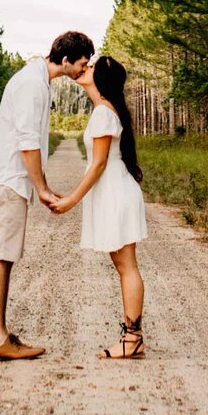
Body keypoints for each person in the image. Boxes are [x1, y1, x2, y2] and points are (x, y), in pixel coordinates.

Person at [0, 29, 95, 361]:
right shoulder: (31, 84)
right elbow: (27, 141)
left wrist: (38, 184)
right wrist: (41, 188)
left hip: (11, 181)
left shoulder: (37, 81)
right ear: (66, 59)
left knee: (5, 255)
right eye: (82, 65)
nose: (83, 71)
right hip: (6, 180)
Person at [50, 54, 148, 360]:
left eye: (90, 66)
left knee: (126, 266)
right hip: (114, 193)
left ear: (101, 78)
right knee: (123, 265)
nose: (84, 68)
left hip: (116, 194)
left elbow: (98, 165)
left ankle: (132, 339)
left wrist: (70, 200)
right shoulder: (103, 111)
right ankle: (132, 338)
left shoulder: (104, 114)